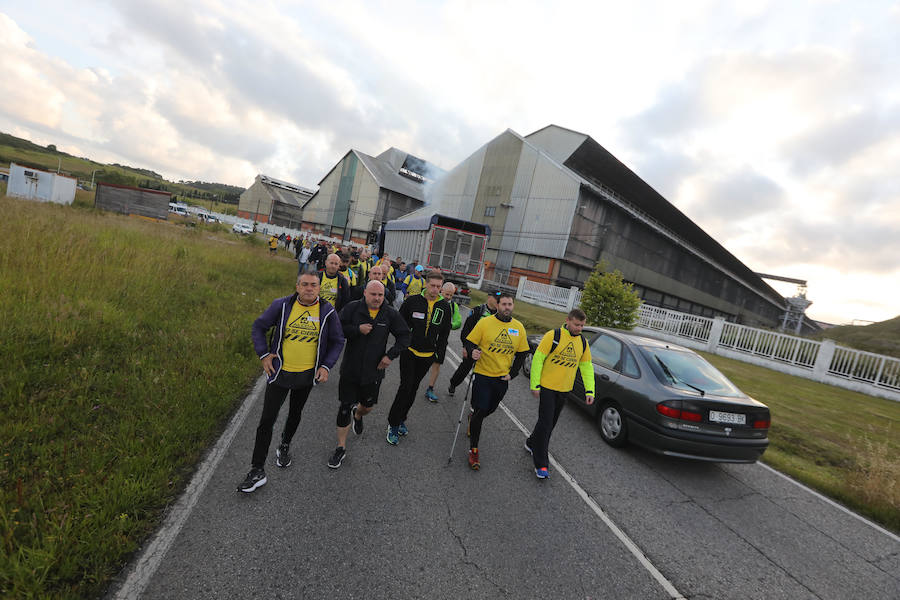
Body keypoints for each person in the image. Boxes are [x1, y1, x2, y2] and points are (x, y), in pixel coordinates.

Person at [240, 268, 346, 492]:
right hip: (279, 373)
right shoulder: (282, 305)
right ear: (297, 287)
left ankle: (285, 445)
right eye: (305, 284)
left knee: (295, 414)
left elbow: (338, 341)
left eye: (314, 285)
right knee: (267, 419)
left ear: (319, 288)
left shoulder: (327, 311)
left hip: (306, 376)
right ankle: (257, 469)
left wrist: (326, 366)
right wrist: (263, 354)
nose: (309, 289)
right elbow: (259, 327)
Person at [329, 281, 410, 468]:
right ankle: (340, 448)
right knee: (343, 407)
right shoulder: (352, 308)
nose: (377, 298)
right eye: (373, 294)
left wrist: (390, 356)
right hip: (350, 369)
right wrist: (357, 330)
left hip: (373, 372)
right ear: (365, 293)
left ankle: (358, 415)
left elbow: (405, 336)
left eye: (380, 295)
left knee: (367, 406)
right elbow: (337, 328)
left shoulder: (389, 313)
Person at [524, 309, 595, 479]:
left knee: (549, 423)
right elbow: (538, 359)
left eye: (582, 325)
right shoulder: (553, 336)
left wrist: (590, 389)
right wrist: (535, 384)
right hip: (547, 387)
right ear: (568, 321)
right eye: (577, 324)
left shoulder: (583, 343)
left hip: (564, 390)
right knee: (546, 423)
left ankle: (531, 443)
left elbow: (586, 367)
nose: (579, 328)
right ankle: (541, 463)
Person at [464, 293, 530, 470]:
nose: (507, 307)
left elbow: (523, 353)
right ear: (497, 305)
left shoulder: (518, 327)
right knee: (482, 408)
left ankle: (474, 419)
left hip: (502, 378)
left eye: (510, 304)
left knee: (490, 409)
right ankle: (474, 450)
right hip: (483, 374)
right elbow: (470, 342)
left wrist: (513, 373)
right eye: (504, 304)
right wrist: (472, 352)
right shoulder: (485, 323)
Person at [386, 271, 452, 445]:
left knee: (414, 389)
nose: (435, 289)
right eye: (432, 285)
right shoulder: (412, 301)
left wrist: (439, 355)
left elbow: (445, 334)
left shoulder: (445, 307)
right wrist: (403, 344)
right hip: (410, 353)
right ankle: (392, 423)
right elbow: (400, 325)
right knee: (405, 387)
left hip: (428, 356)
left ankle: (402, 419)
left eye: (439, 287)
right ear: (426, 284)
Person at [447, 291, 499, 396]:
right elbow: (466, 330)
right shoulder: (477, 310)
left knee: (484, 375)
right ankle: (453, 383)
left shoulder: (498, 315)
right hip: (473, 347)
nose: (498, 300)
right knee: (464, 369)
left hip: (488, 349)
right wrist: (466, 347)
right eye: (495, 297)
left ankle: (479, 398)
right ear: (489, 297)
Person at [424, 282, 462, 402]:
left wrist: (449, 325)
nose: (448, 297)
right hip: (427, 339)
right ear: (441, 292)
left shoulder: (453, 306)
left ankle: (430, 388)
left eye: (451, 295)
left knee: (437, 364)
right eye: (447, 294)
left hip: (442, 341)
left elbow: (458, 322)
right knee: (422, 363)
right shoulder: (434, 302)